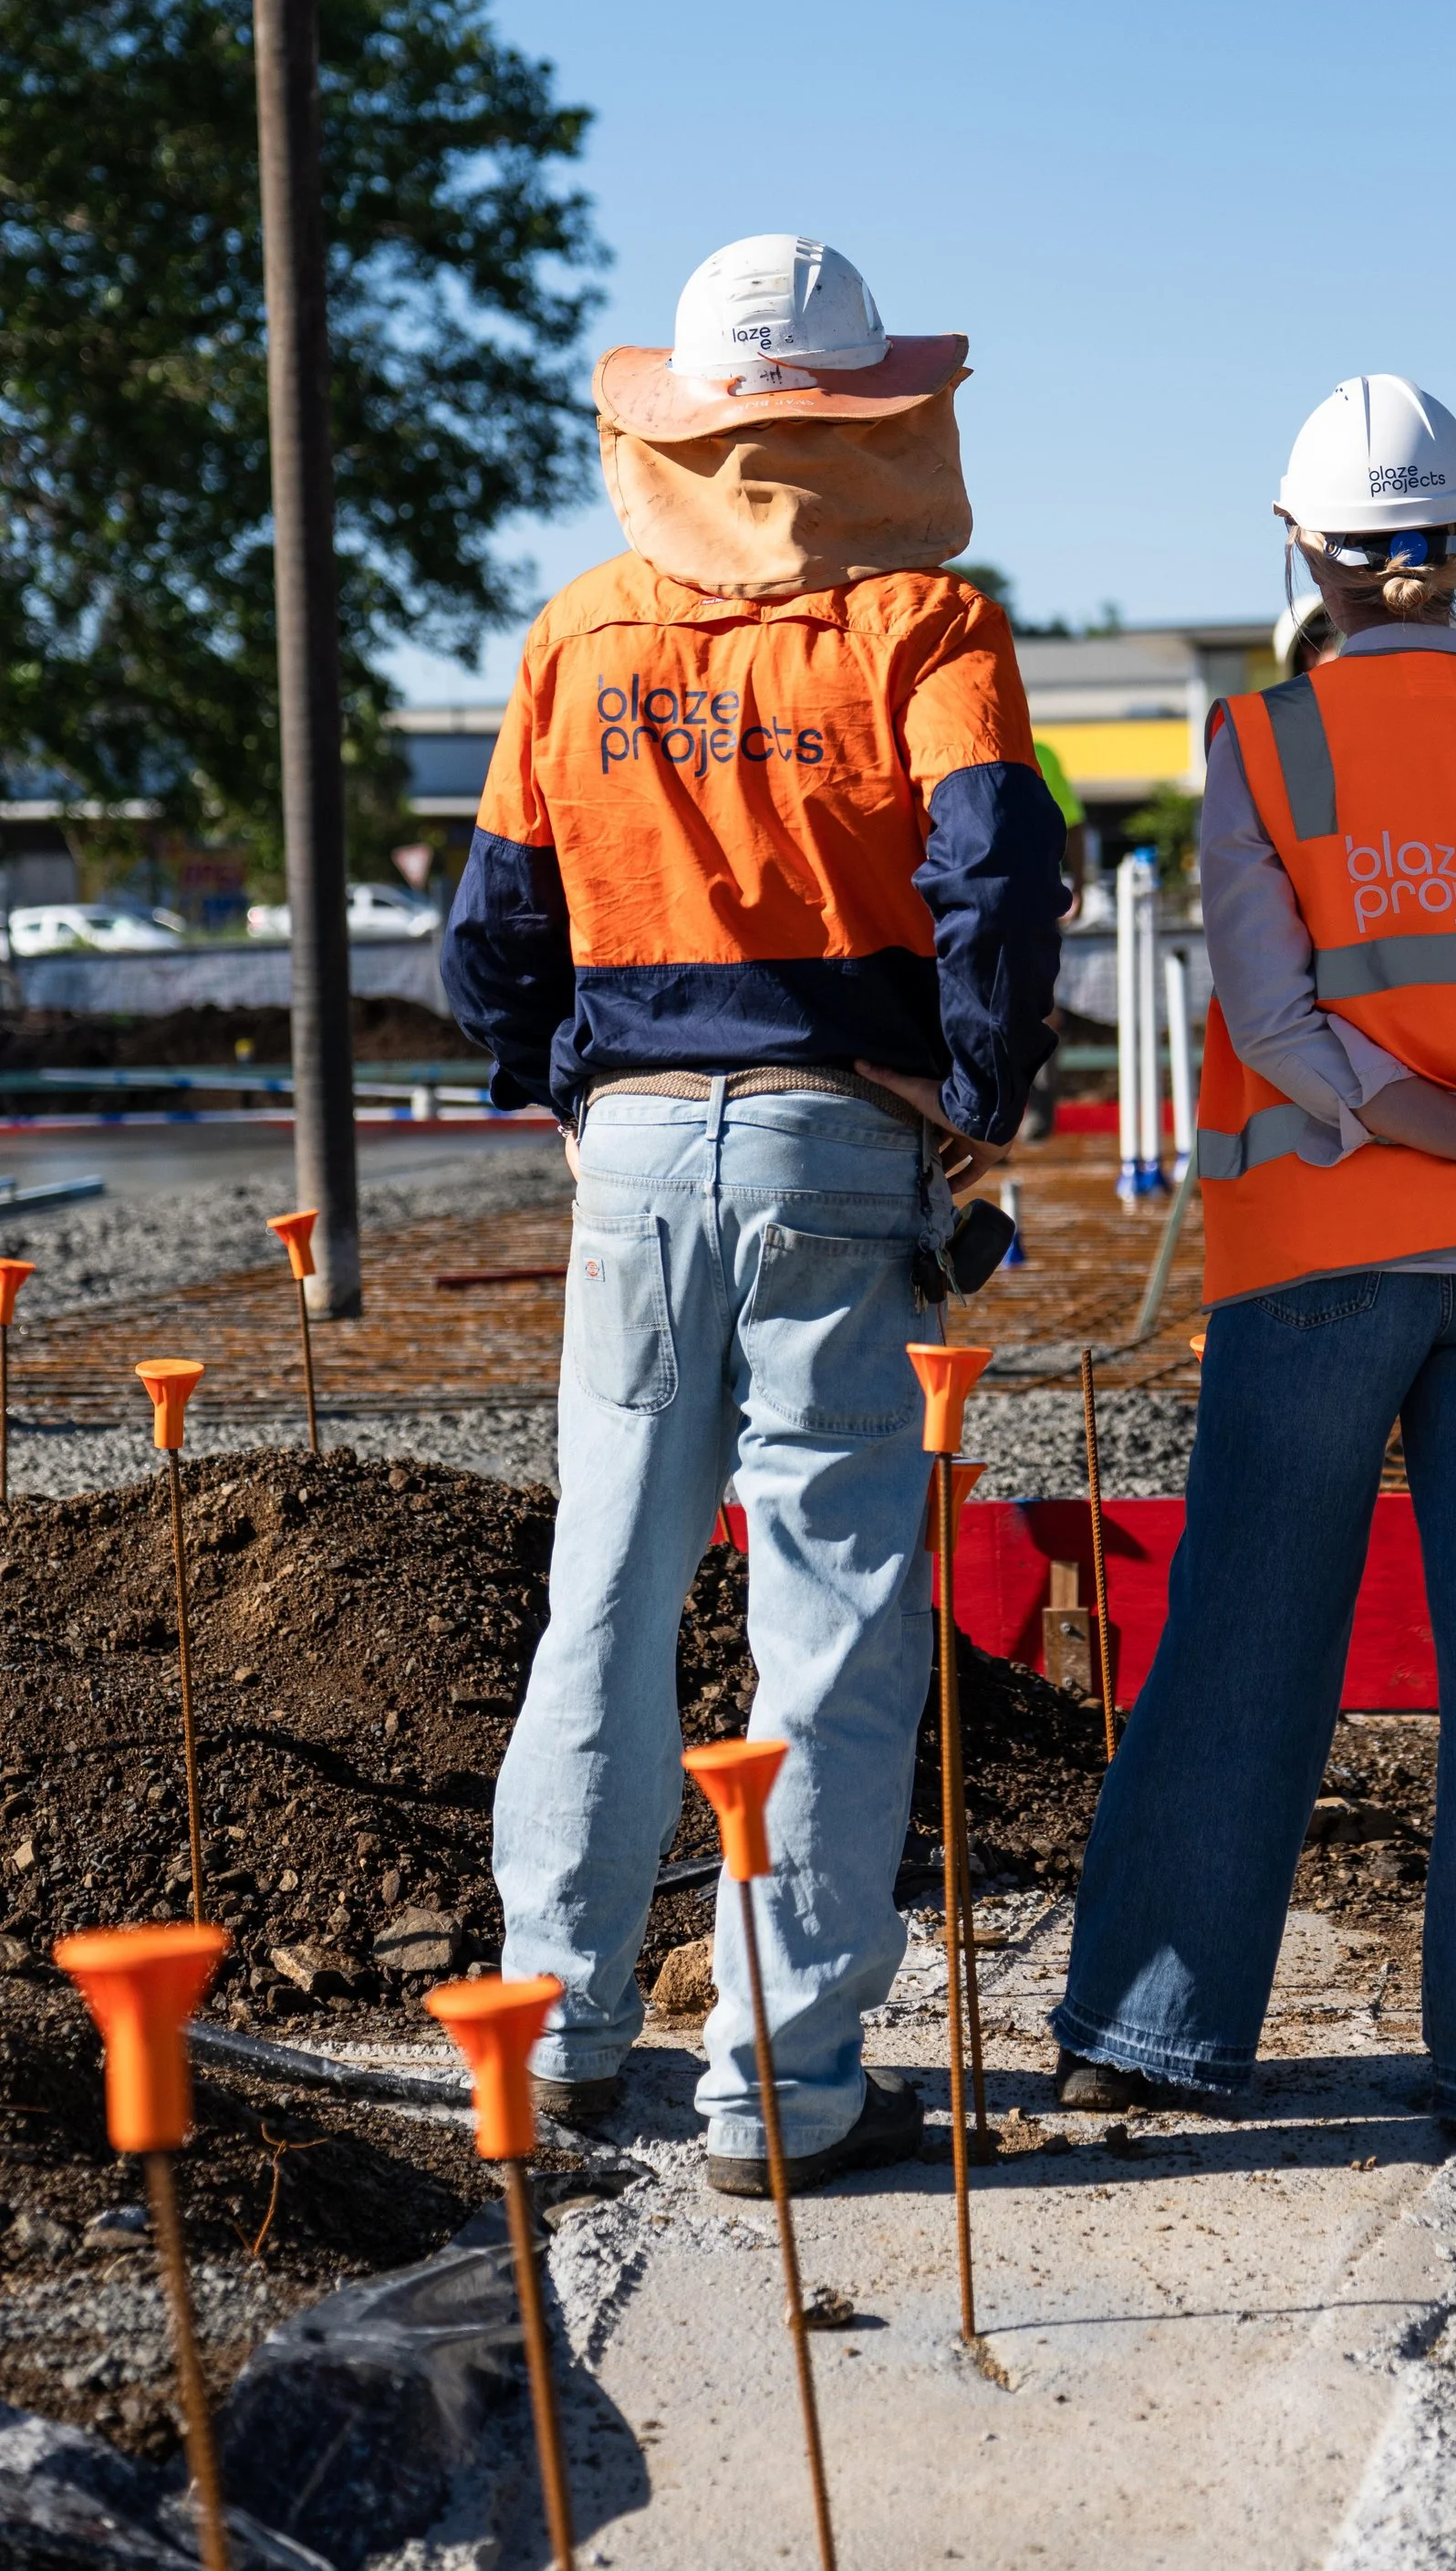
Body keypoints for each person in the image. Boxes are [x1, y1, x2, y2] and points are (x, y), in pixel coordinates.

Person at [442, 235, 1065, 2190]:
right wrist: (970, 1094)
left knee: (605, 1593)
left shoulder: (578, 632)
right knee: (830, 1615)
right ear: (873, 420)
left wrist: (568, 1083)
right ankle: (781, 2083)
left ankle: (544, 2040)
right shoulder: (931, 633)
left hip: (633, 1152)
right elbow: (1000, 878)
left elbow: (490, 931)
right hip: (831, 1147)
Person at [1050, 371, 1456, 2139]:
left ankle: (1152, 2033)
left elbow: (1281, 1022)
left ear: (1307, 553)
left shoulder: (1263, 744)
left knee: (1248, 1634)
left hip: (1324, 1254)